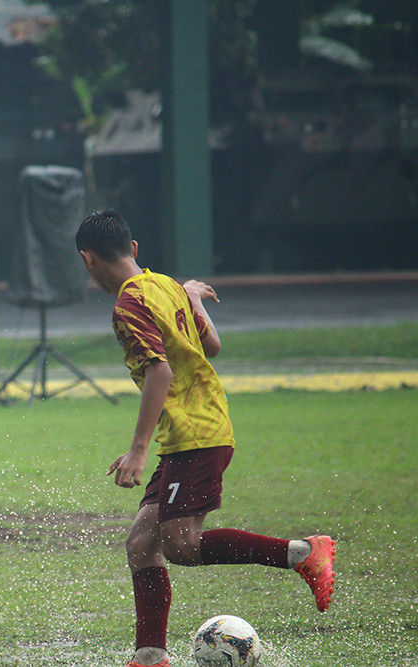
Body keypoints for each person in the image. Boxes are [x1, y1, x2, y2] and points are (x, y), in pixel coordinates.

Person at [75, 210, 335, 667]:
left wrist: (138, 450)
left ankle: (301, 553)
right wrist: (190, 299)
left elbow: (159, 371)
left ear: (88, 259)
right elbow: (210, 347)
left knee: (182, 545)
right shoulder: (166, 285)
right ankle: (150, 655)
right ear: (134, 249)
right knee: (142, 542)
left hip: (196, 433)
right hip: (193, 430)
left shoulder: (128, 305)